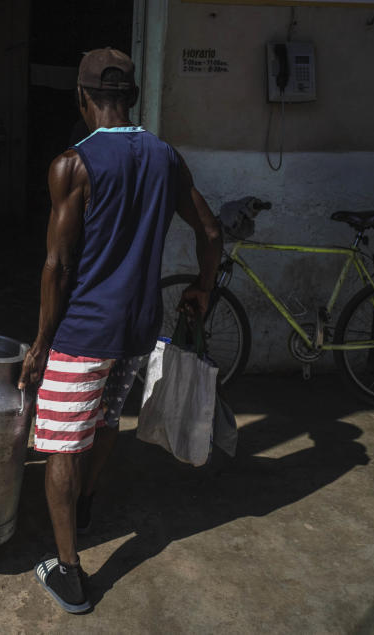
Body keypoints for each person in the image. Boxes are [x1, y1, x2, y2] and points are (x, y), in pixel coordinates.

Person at [17, 48, 223, 613]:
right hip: (138, 326)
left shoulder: (73, 165)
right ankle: (85, 501)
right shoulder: (165, 156)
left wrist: (40, 344)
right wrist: (203, 289)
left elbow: (57, 266)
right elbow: (210, 230)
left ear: (82, 98)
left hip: (84, 333)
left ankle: (70, 573)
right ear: (132, 98)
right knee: (106, 417)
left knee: (61, 442)